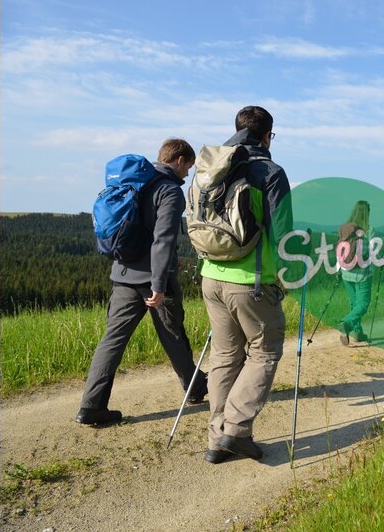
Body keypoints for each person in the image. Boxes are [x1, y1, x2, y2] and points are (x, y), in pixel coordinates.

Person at [76, 138, 207, 426]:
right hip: (154, 280)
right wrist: (159, 284)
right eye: (189, 168)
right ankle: (195, 387)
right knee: (173, 335)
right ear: (180, 160)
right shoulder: (170, 191)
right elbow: (163, 240)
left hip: (123, 274)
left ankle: (91, 406)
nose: (187, 175)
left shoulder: (136, 183)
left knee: (112, 341)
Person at [200, 106, 293, 464]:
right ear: (268, 135)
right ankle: (236, 432)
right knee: (265, 349)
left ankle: (217, 438)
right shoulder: (269, 172)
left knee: (225, 356)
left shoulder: (214, 165)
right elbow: (284, 236)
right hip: (251, 282)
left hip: (211, 275)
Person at [336, 200, 373, 345]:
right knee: (363, 303)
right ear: (367, 213)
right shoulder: (368, 230)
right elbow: (373, 253)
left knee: (354, 303)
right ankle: (347, 323)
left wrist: (338, 270)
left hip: (346, 271)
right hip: (363, 273)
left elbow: (341, 249)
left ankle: (358, 333)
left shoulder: (345, 229)